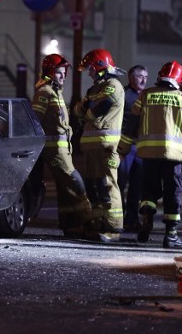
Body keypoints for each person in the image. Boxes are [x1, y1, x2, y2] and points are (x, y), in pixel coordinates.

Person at [119, 61, 182, 248]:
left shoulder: (145, 95)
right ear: (179, 79)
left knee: (148, 190)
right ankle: (170, 235)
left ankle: (147, 217)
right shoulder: (181, 98)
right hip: (174, 156)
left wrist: (123, 148)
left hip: (148, 153)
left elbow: (131, 123)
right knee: (173, 193)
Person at [31, 54, 92, 237]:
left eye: (64, 73)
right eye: (59, 72)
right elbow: (36, 121)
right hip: (55, 151)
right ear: (50, 73)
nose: (63, 76)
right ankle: (89, 221)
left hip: (62, 149)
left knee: (65, 189)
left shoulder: (55, 92)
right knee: (75, 184)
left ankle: (70, 225)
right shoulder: (44, 92)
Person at [73, 49, 125, 242]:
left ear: (100, 67)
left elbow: (101, 107)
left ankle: (113, 227)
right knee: (94, 187)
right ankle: (98, 224)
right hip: (91, 147)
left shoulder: (113, 85)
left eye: (91, 69)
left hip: (106, 147)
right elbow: (78, 110)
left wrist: (87, 111)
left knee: (108, 187)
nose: (89, 73)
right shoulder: (93, 90)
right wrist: (86, 109)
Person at [117, 65, 148, 232]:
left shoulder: (146, 96)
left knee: (137, 186)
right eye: (140, 76)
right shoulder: (123, 95)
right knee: (120, 183)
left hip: (140, 147)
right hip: (125, 147)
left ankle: (132, 219)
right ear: (131, 78)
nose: (144, 80)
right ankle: (118, 218)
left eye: (145, 76)